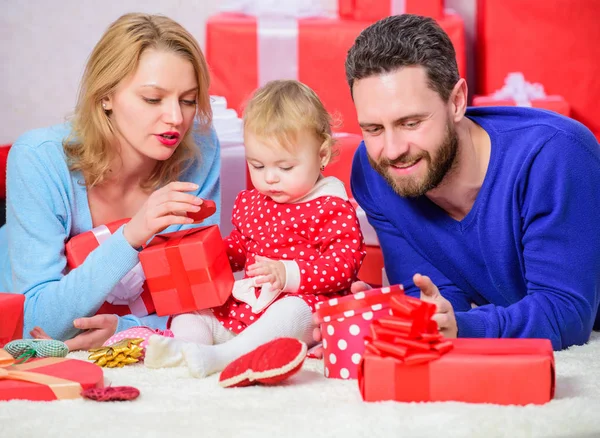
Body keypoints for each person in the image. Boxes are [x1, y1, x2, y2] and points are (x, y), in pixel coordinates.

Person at [324, 14, 600, 351]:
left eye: (411, 123)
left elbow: (567, 315)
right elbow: (434, 296)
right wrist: (398, 323)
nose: (393, 150)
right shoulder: (374, 172)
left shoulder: (554, 155)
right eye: (373, 129)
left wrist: (464, 327)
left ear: (456, 102)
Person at [0, 13, 222, 351]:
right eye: (152, 99)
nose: (176, 118)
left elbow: (200, 303)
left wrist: (127, 328)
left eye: (188, 100)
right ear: (106, 96)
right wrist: (132, 236)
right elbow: (36, 324)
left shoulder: (200, 148)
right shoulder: (38, 158)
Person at [143, 79, 366, 377]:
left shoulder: (331, 207)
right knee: (195, 310)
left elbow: (343, 265)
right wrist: (207, 253)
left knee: (294, 312)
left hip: (302, 306)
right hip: (247, 307)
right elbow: (240, 247)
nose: (270, 178)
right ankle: (186, 349)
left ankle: (224, 357)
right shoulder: (254, 203)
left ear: (322, 155)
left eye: (285, 168)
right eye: (257, 166)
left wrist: (288, 274)